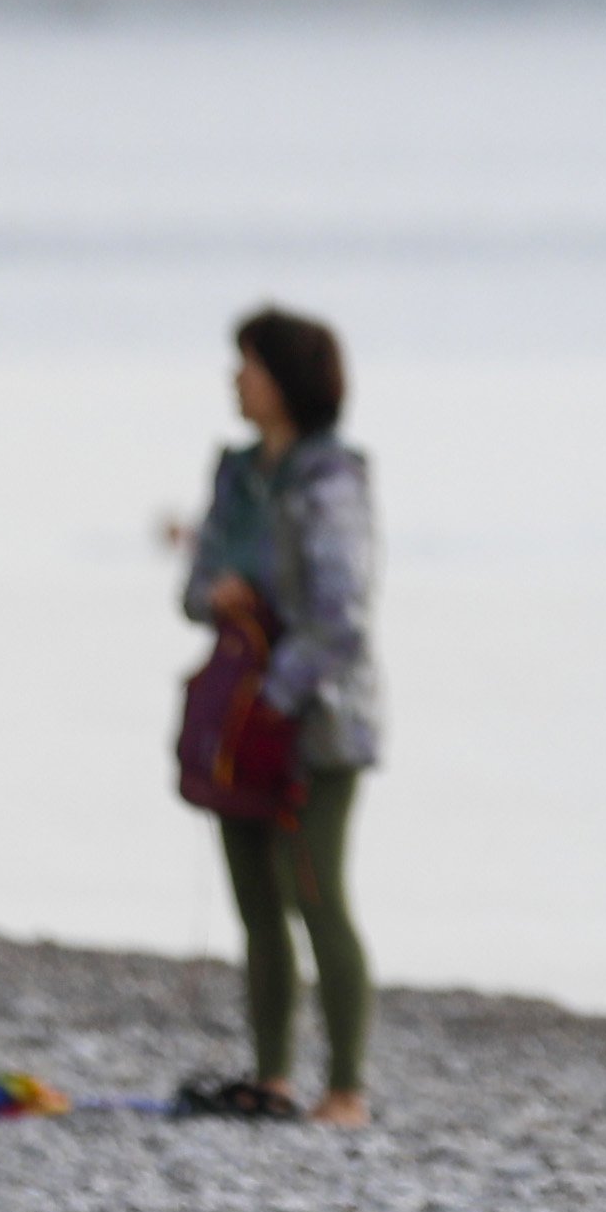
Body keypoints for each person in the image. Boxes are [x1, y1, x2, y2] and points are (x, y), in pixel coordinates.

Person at [181, 305, 385, 1124]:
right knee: (255, 903)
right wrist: (215, 594)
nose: (236, 378)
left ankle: (346, 1087)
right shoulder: (236, 474)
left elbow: (342, 619)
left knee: (316, 895)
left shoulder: (329, 480)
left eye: (250, 365)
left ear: (288, 382)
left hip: (320, 724)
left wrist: (278, 702)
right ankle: (271, 1076)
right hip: (237, 719)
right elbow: (193, 587)